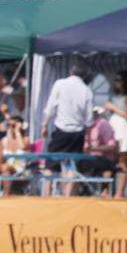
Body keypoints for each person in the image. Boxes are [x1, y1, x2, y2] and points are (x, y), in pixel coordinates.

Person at [41, 61, 93, 197]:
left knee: (50, 165)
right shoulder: (87, 90)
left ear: (71, 72)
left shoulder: (60, 84)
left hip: (61, 130)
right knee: (71, 165)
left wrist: (44, 125)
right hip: (78, 133)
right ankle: (67, 197)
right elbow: (89, 119)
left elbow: (51, 106)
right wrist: (87, 138)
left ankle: (46, 195)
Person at [105, 70, 127, 198]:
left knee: (122, 161)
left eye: (119, 80)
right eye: (115, 80)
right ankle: (105, 190)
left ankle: (120, 191)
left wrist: (113, 108)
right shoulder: (114, 96)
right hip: (113, 127)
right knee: (109, 159)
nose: (116, 83)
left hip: (123, 128)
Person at [0, 115, 29, 196]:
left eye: (13, 125)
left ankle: (6, 194)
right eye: (8, 125)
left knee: (5, 167)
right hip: (7, 165)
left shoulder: (25, 139)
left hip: (20, 168)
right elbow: (0, 160)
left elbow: (23, 147)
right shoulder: (4, 141)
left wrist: (17, 131)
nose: (10, 128)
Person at [83, 107, 118, 196]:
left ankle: (104, 190)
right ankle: (82, 191)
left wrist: (94, 148)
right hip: (86, 158)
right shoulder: (81, 125)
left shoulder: (103, 124)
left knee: (104, 166)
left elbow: (112, 147)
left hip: (102, 158)